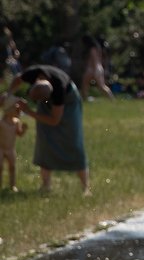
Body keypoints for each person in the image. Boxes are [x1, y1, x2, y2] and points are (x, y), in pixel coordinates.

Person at [8, 64, 88, 194]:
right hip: (48, 96)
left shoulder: (58, 90)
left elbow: (54, 120)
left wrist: (28, 111)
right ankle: (46, 185)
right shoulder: (33, 73)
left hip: (69, 101)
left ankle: (85, 187)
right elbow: (18, 79)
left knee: (73, 140)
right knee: (44, 138)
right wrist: (9, 94)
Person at [0, 94, 27, 191]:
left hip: (11, 149)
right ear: (8, 110)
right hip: (1, 149)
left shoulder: (16, 122)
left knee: (12, 167)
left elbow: (19, 134)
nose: (18, 110)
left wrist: (23, 130)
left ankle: (12, 185)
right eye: (16, 107)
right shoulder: (1, 123)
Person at [81, 35, 113, 100]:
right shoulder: (99, 48)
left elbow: (94, 59)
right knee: (101, 86)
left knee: (85, 85)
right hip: (98, 68)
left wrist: (94, 69)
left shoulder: (92, 49)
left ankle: (85, 98)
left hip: (93, 69)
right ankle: (111, 98)